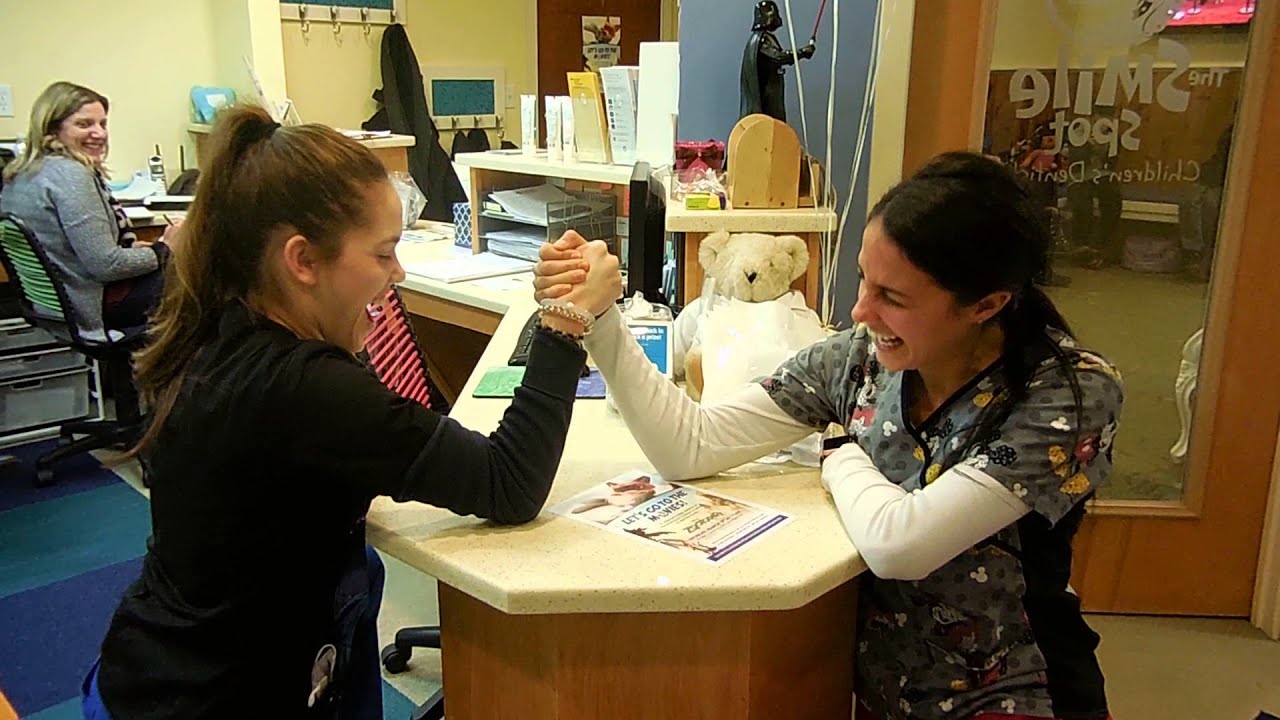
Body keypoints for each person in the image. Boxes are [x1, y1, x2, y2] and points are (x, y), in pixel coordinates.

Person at [535, 152, 1123, 720]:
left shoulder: (1068, 394)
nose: (860, 311)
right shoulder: (860, 359)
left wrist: (840, 455)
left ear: (986, 305)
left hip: (1013, 694)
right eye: (864, 280)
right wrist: (600, 318)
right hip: (884, 691)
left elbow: (902, 545)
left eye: (891, 297)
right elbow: (690, 445)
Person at [82, 105, 620, 720]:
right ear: (302, 261)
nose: (399, 272)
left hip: (157, 665)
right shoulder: (306, 390)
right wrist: (563, 325)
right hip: (216, 697)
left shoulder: (218, 321)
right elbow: (510, 481)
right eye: (384, 253)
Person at [0, 82, 179, 336]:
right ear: (52, 127)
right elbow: (106, 265)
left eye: (103, 124)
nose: (99, 133)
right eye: (84, 124)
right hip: (90, 307)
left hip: (58, 308)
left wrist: (136, 252)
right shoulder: (70, 175)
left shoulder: (21, 172)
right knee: (210, 284)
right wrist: (164, 249)